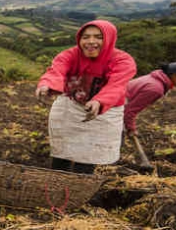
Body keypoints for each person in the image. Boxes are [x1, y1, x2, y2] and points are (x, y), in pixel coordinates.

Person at [35, 20, 136, 174]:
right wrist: (47, 84)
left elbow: (116, 86)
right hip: (72, 106)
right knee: (62, 153)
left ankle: (79, 189)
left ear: (109, 39)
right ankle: (56, 185)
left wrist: (99, 101)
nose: (91, 42)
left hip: (104, 112)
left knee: (88, 156)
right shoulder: (71, 55)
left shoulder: (123, 61)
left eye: (98, 37)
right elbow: (57, 69)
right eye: (86, 37)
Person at [124, 62, 176, 137]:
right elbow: (130, 111)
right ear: (175, 75)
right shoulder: (155, 88)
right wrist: (131, 128)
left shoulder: (154, 79)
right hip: (114, 109)